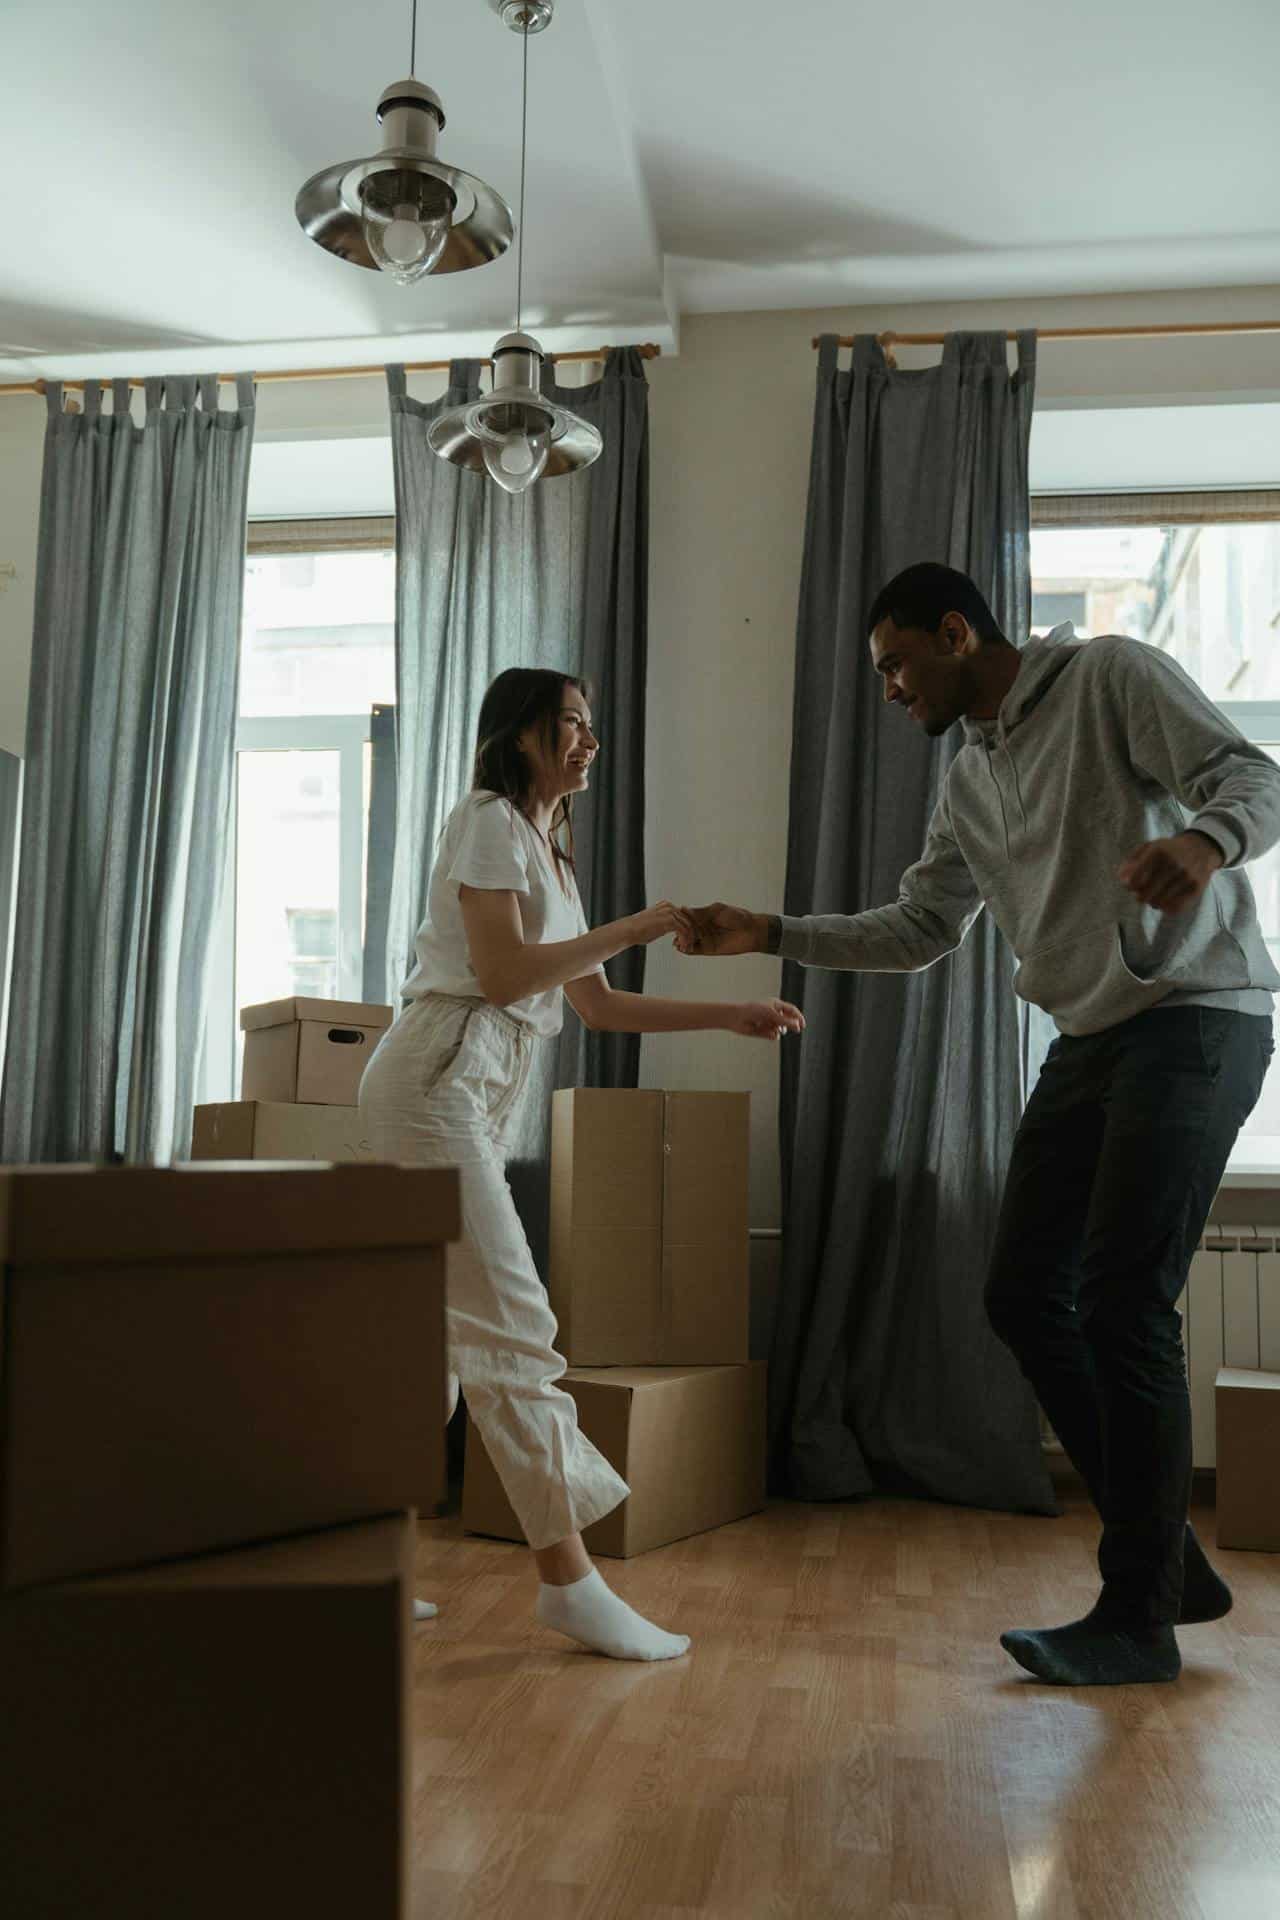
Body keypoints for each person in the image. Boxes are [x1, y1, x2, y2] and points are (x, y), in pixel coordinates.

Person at [674, 559, 1280, 1686]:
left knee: (1118, 1301)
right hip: (1091, 1037)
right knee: (1020, 1292)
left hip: (1195, 1015)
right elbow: (917, 928)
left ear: (956, 632)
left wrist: (1202, 844)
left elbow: (1251, 772)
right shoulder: (967, 781)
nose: (891, 690)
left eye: (897, 664)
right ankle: (1168, 1563)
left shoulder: (1108, 677)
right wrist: (765, 927)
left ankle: (1135, 1615)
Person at [359, 667, 803, 1662]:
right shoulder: (484, 820)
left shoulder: (549, 860)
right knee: (514, 1326)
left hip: (470, 1089)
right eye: (571, 724)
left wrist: (724, 1012)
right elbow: (506, 974)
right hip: (434, 1083)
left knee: (427, 1344)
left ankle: (370, 1571)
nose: (588, 741)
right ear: (520, 735)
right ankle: (569, 1583)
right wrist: (639, 927)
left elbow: (595, 1006)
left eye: (591, 726)